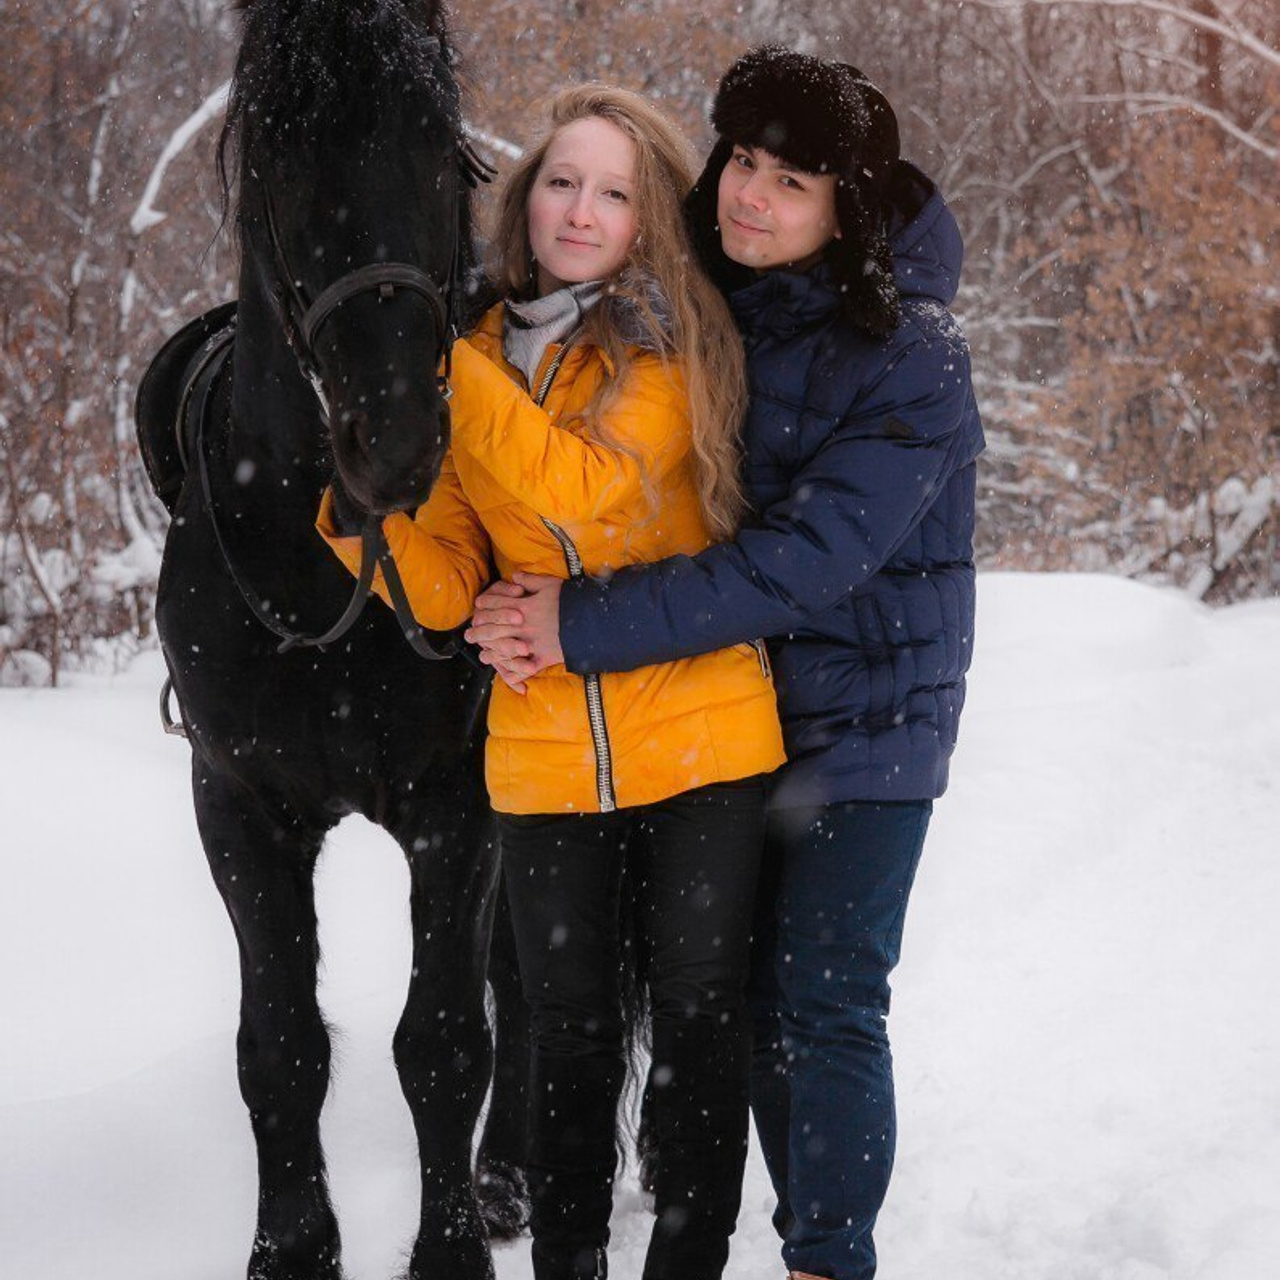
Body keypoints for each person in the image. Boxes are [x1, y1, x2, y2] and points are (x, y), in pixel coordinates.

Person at [464, 48, 985, 1280]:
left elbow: (798, 563)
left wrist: (573, 623)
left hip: (866, 724)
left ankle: (825, 1259)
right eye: (741, 162)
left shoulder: (915, 357)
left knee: (823, 999)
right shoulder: (707, 303)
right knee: (735, 1010)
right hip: (735, 719)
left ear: (842, 208)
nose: (749, 196)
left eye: (789, 182)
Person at [315, 85, 786, 1280]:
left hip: (700, 739)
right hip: (542, 753)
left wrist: (429, 352)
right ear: (525, 200)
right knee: (565, 1039)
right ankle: (567, 1261)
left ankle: (685, 1262)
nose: (582, 211)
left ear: (647, 221)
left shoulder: (673, 339)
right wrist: (353, 502)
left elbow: (584, 489)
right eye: (562, 182)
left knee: (692, 1018)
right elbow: (447, 584)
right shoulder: (473, 355)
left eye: (615, 192)